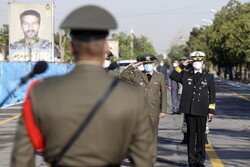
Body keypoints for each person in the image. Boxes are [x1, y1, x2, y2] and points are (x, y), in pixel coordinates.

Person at [11, 5, 153, 167]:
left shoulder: (40, 92)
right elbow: (144, 159)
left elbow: (21, 158)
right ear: (106, 48)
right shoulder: (132, 96)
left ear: (71, 48)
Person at [170, 51, 215, 167]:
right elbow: (173, 75)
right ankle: (191, 161)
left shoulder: (208, 76)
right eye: (195, 61)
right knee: (191, 137)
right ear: (192, 62)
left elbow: (212, 95)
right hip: (189, 110)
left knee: (201, 137)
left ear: (203, 61)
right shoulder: (186, 74)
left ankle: (200, 161)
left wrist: (211, 111)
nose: (197, 63)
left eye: (199, 61)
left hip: (202, 110)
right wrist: (183, 65)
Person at [120, 54, 167, 164]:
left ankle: (151, 159)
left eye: (149, 63)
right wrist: (134, 66)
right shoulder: (137, 74)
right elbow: (123, 75)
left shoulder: (159, 76)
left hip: (154, 110)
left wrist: (163, 110)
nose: (148, 65)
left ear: (153, 64)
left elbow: (163, 94)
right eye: (145, 63)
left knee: (153, 136)